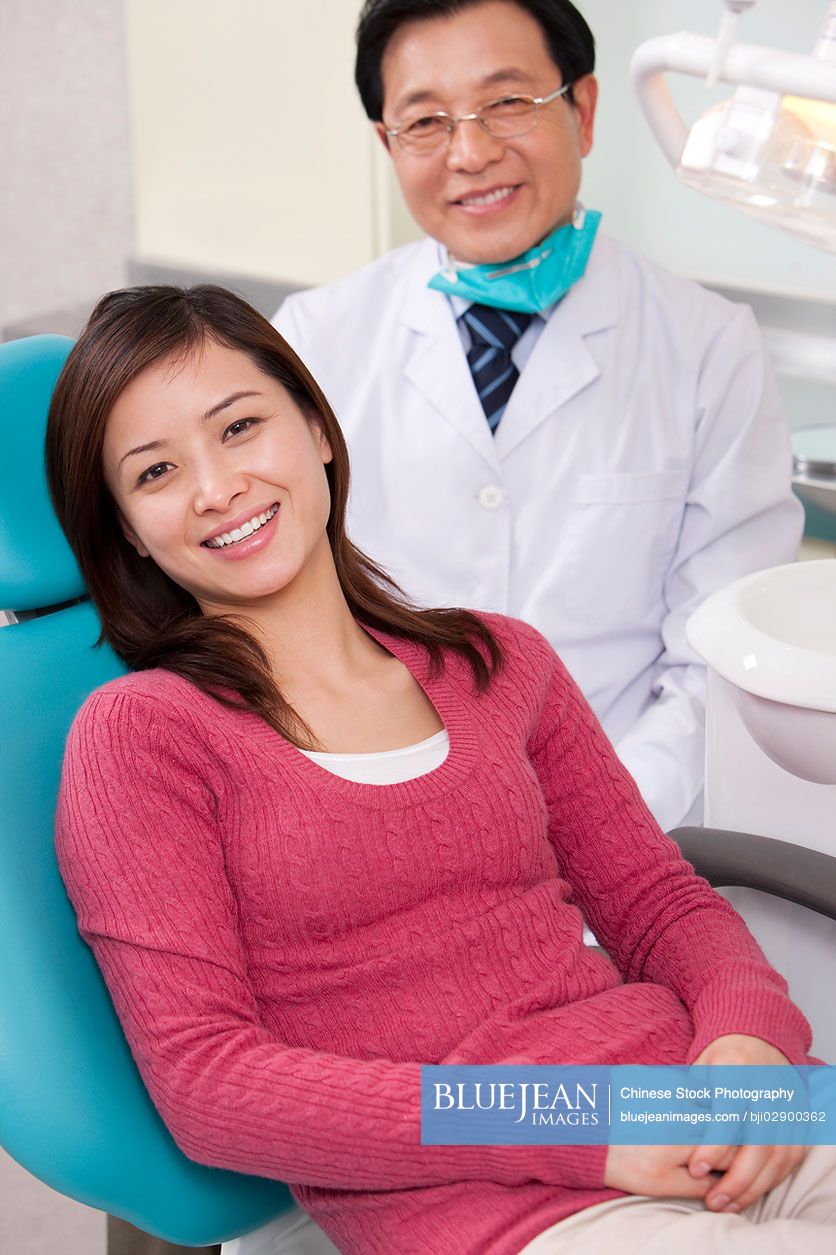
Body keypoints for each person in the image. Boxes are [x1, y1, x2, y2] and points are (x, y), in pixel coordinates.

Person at [46, 284, 835, 1255]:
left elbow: (656, 900)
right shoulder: (144, 736)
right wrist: (578, 1126)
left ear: (316, 428)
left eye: (240, 427)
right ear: (126, 526)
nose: (216, 487)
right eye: (157, 470)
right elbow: (210, 1084)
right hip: (517, 1212)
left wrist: (747, 1037)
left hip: (725, 1114)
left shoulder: (495, 662)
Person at [273, 0, 804, 833]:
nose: (471, 152)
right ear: (388, 144)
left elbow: (715, 664)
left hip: (628, 833)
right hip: (375, 828)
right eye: (426, 121)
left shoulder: (707, 348)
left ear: (583, 112)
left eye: (508, 103)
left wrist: (592, 830)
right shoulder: (310, 345)